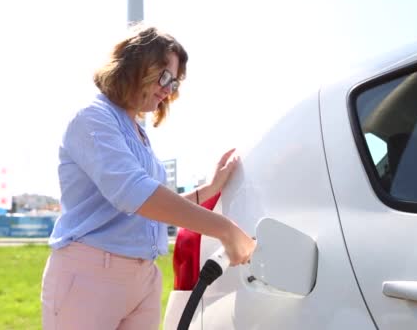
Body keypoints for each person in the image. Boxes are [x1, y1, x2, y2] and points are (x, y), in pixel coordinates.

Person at [41, 25, 256, 330]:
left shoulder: (136, 131)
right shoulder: (92, 117)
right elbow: (135, 194)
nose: (169, 90)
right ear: (134, 66)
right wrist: (226, 230)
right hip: (91, 275)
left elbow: (149, 210)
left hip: (143, 278)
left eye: (175, 82)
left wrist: (210, 188)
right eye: (164, 76)